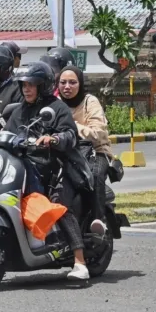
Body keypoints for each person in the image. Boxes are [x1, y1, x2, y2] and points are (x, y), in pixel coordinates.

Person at [4, 61, 90, 280]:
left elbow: (70, 135)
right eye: (24, 85)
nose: (27, 89)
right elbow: (7, 133)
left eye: (32, 84)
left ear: (43, 85)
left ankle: (80, 262)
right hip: (27, 165)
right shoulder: (20, 110)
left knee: (59, 204)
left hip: (58, 166)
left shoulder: (57, 108)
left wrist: (54, 139)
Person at [57, 66, 110, 235]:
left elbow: (98, 133)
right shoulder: (55, 103)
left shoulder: (89, 102)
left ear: (80, 84)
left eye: (72, 82)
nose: (67, 86)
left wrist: (71, 127)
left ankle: (98, 219)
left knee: (95, 175)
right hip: (65, 152)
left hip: (95, 151)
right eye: (63, 82)